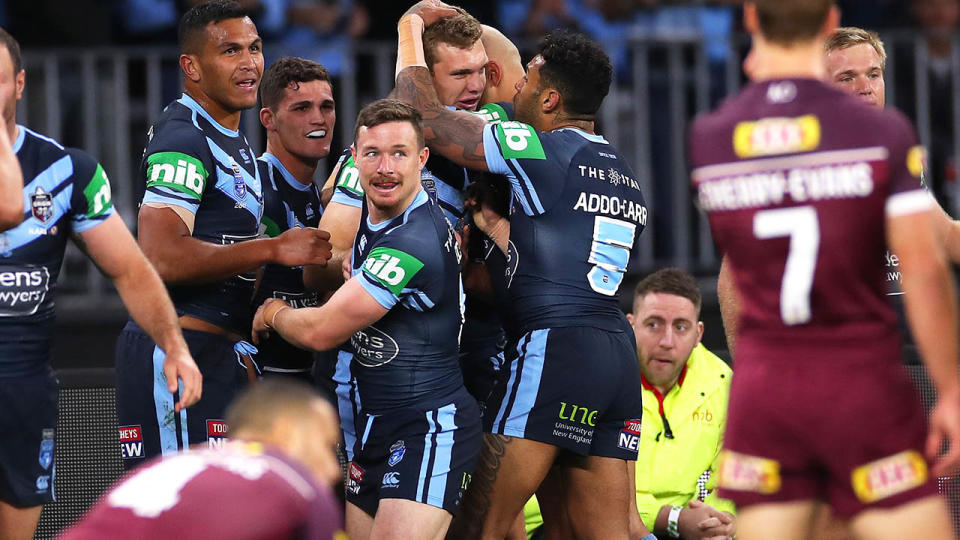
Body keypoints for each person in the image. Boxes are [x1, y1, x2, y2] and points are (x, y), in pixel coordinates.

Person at [690, 2, 960, 539]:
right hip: (857, 377)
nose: (864, 88)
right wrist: (953, 389)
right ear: (826, 26)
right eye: (848, 76)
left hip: (771, 389)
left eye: (873, 75)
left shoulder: (714, 136)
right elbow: (929, 266)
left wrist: (749, 380)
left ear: (750, 22)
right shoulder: (878, 140)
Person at [394, 4, 650, 538]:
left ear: (551, 99)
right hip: (617, 357)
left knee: (482, 526)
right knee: (601, 531)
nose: (513, 93)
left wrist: (409, 28)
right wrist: (494, 230)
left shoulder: (541, 148)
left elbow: (430, 119)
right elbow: (561, 260)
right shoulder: (622, 172)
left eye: (527, 82)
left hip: (554, 350)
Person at [0, 28, 200, 540]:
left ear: (20, 84)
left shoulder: (67, 172)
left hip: (21, 390)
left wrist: (173, 345)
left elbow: (130, 270)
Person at [114, 0, 332, 468]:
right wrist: (274, 248)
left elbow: (228, 251)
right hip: (176, 349)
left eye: (254, 48)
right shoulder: (183, 137)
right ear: (191, 66)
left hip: (217, 350)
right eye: (230, 51)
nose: (250, 62)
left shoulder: (232, 140)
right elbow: (161, 255)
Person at [252, 99, 482, 540]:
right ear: (353, 159)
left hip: (428, 427)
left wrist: (273, 311)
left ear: (423, 159)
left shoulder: (412, 239)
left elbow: (321, 331)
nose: (385, 168)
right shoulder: (377, 222)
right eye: (373, 154)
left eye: (399, 153)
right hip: (376, 428)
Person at [60, 379, 345, 540]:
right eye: (326, 445)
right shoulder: (293, 481)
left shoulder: (170, 464)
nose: (333, 471)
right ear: (286, 430)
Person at [627, 268, 735, 540]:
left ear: (698, 333)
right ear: (631, 325)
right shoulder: (600, 376)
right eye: (653, 324)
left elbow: (730, 478)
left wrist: (721, 521)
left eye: (681, 327)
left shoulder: (723, 383)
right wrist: (671, 518)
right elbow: (592, 491)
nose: (667, 341)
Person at [253, 56, 336, 381]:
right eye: (301, 108)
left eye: (326, 106)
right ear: (269, 119)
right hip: (262, 385)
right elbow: (231, 306)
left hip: (303, 378)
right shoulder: (258, 191)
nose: (319, 119)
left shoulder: (315, 194)